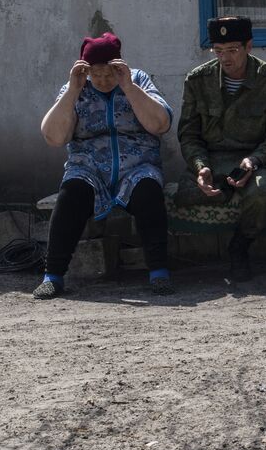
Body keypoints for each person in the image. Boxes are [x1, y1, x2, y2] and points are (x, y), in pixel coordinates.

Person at [37, 32, 174, 298]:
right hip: (88, 169)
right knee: (70, 196)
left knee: (148, 193)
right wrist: (73, 90)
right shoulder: (75, 88)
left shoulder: (138, 79)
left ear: (119, 66)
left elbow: (161, 124)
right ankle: (52, 275)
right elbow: (53, 137)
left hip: (137, 167)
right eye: (95, 75)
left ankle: (159, 272)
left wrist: (129, 87)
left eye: (109, 74)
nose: (102, 81)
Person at [174, 16, 266, 282]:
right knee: (184, 192)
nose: (225, 58)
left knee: (264, 194)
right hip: (212, 159)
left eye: (232, 50)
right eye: (218, 51)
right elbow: (189, 133)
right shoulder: (197, 80)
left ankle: (240, 245)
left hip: (254, 160)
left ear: (248, 46)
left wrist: (254, 161)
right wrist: (200, 166)